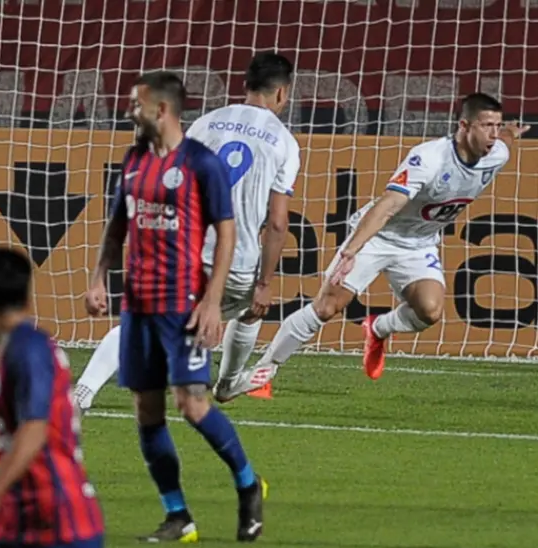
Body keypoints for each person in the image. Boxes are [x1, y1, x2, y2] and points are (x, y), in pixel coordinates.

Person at [226, 93, 529, 400]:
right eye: (486, 125)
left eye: (497, 125)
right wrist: (350, 252)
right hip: (379, 236)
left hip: (418, 244)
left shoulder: (497, 153)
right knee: (327, 306)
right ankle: (265, 370)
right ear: (464, 126)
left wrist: (510, 132)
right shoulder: (429, 159)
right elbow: (386, 208)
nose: (493, 133)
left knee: (430, 311)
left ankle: (378, 328)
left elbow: (506, 140)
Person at [86, 71, 266, 543]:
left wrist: (212, 301)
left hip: (182, 305)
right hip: (138, 307)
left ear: (161, 110)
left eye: (134, 104)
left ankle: (248, 485)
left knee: (192, 405)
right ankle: (177, 515)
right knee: (147, 412)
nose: (128, 110)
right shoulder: (132, 160)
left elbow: (225, 232)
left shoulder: (201, 164)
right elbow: (116, 226)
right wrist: (99, 277)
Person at [73, 52, 299, 410]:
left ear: (245, 86)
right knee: (250, 310)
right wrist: (266, 282)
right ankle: (227, 382)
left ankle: (83, 391)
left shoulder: (207, 123)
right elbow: (277, 222)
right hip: (236, 263)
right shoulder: (285, 142)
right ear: (283, 94)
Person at [0, 247, 104, 548]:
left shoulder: (29, 349)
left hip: (59, 522)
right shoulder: (17, 347)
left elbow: (35, 427)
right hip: (13, 522)